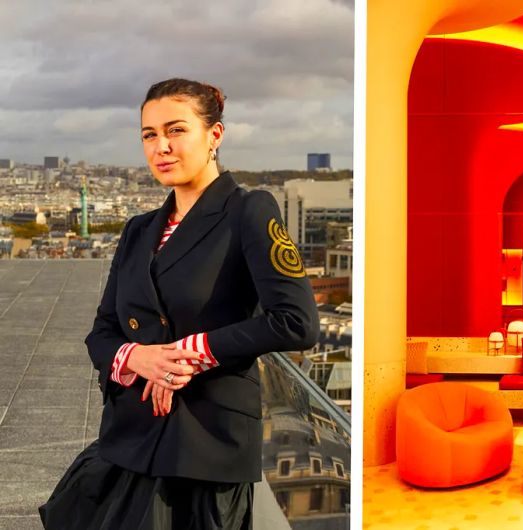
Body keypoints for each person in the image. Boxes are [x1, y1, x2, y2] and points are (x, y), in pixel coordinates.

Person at [39, 78, 320, 529]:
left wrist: (187, 356)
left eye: (176, 130)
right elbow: (102, 332)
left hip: (205, 446)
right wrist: (139, 357)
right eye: (149, 135)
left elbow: (296, 322)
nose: (161, 147)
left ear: (215, 136)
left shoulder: (250, 210)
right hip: (130, 435)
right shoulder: (138, 229)